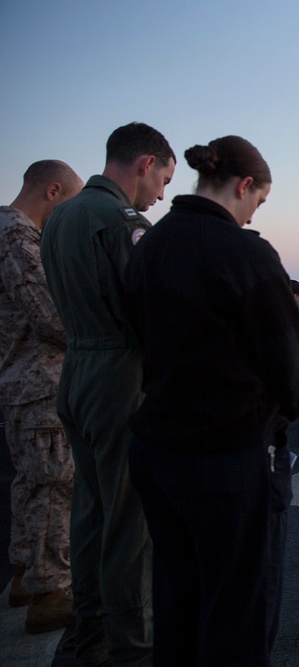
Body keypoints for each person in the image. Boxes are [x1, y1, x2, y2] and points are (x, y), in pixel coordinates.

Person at [122, 135, 299, 664]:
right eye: (259, 202)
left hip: (158, 448)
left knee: (178, 599)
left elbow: (135, 333)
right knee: (239, 611)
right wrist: (282, 413)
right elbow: (290, 366)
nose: (253, 216)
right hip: (227, 456)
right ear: (244, 185)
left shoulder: (150, 245)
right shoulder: (245, 253)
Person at [41, 122, 175, 665]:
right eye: (164, 179)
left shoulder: (59, 219)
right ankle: (133, 647)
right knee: (131, 524)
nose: (163, 194)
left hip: (75, 371)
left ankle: (87, 637)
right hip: (120, 375)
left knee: (92, 514)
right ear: (145, 164)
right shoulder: (122, 222)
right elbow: (150, 313)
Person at [0, 160, 82, 634]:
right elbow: (50, 315)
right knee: (54, 487)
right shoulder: (16, 235)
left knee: (32, 485)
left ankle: (28, 577)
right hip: (38, 383)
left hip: (22, 382)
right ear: (52, 192)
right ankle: (51, 590)